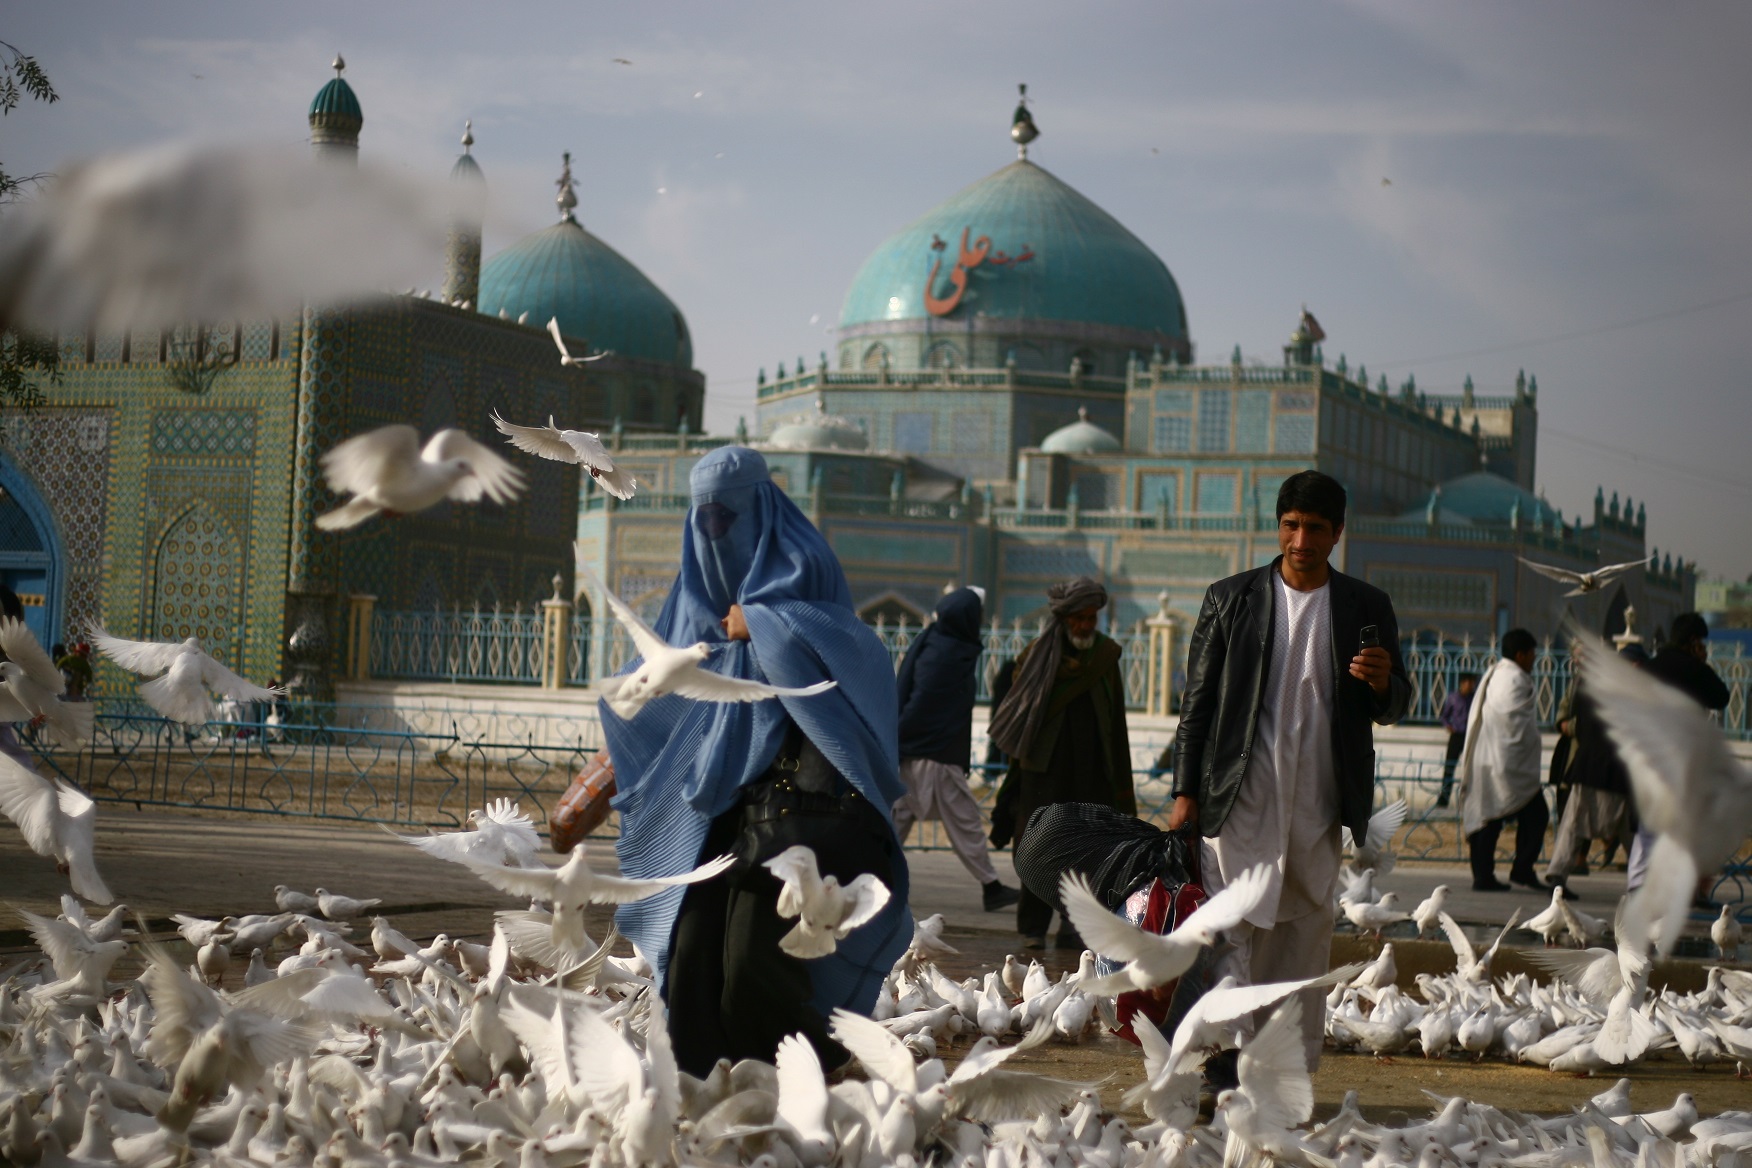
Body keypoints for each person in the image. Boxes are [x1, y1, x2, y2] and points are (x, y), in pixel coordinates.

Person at [597, 445, 911, 1076]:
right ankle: (709, 1090)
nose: (716, 533)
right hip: (720, 813)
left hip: (806, 811)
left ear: (760, 508)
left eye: (727, 518)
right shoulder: (697, 591)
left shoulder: (804, 564)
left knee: (755, 964)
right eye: (704, 519)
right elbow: (651, 682)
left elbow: (853, 651)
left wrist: (762, 624)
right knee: (689, 953)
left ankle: (786, 1086)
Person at [1170, 469, 1411, 1071]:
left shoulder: (1365, 606)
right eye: (1291, 525)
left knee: (1302, 933)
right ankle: (1222, 1062)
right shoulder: (1231, 600)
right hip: (1240, 795)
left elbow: (1395, 704)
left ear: (1337, 535)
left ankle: (1280, 1073)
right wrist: (1183, 792)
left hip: (1318, 800)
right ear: (1278, 526)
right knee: (1229, 928)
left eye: (1315, 529)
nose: (1301, 540)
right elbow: (1196, 704)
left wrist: (1383, 684)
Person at [987, 576, 1135, 949]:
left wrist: (1120, 780)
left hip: (1093, 768)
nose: (1086, 626)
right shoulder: (1037, 657)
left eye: (1092, 618)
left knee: (1087, 850)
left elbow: (1116, 721)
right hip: (1043, 769)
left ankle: (1074, 924)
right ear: (1064, 618)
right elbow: (1020, 714)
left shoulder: (1105, 657)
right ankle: (1032, 927)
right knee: (1038, 847)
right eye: (1079, 619)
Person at [892, 586, 1020, 912]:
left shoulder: (945, 646)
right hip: (932, 754)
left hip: (922, 751)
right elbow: (922, 703)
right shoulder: (945, 655)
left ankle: (872, 880)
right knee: (964, 822)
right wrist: (902, 739)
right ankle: (991, 887)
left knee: (895, 822)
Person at [1627, 612, 1730, 905]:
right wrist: (1701, 664)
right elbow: (1720, 697)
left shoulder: (1651, 667)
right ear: (1693, 641)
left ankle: (1638, 886)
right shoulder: (1693, 669)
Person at [1457, 628, 1548, 892]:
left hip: (1491, 761)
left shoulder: (1497, 673)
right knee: (1507, 817)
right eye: (1532, 654)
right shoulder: (1513, 679)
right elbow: (1511, 725)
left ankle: (1503, 873)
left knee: (1490, 818)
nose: (1534, 659)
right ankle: (1500, 874)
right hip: (1503, 765)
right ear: (1520, 654)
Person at [1543, 642, 1636, 897]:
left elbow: (1581, 725)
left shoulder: (1591, 686)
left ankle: (1557, 873)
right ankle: (1643, 882)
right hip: (1612, 770)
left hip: (1588, 764)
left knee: (1574, 823)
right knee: (1628, 826)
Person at [1434, 673, 1476, 807]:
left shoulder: (1474, 699)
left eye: (1472, 683)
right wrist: (1449, 727)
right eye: (1468, 682)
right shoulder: (1453, 698)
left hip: (1469, 736)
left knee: (1472, 768)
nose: (1470, 685)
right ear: (1462, 683)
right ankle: (1444, 799)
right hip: (1456, 735)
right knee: (1449, 767)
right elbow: (1444, 716)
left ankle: (1471, 800)